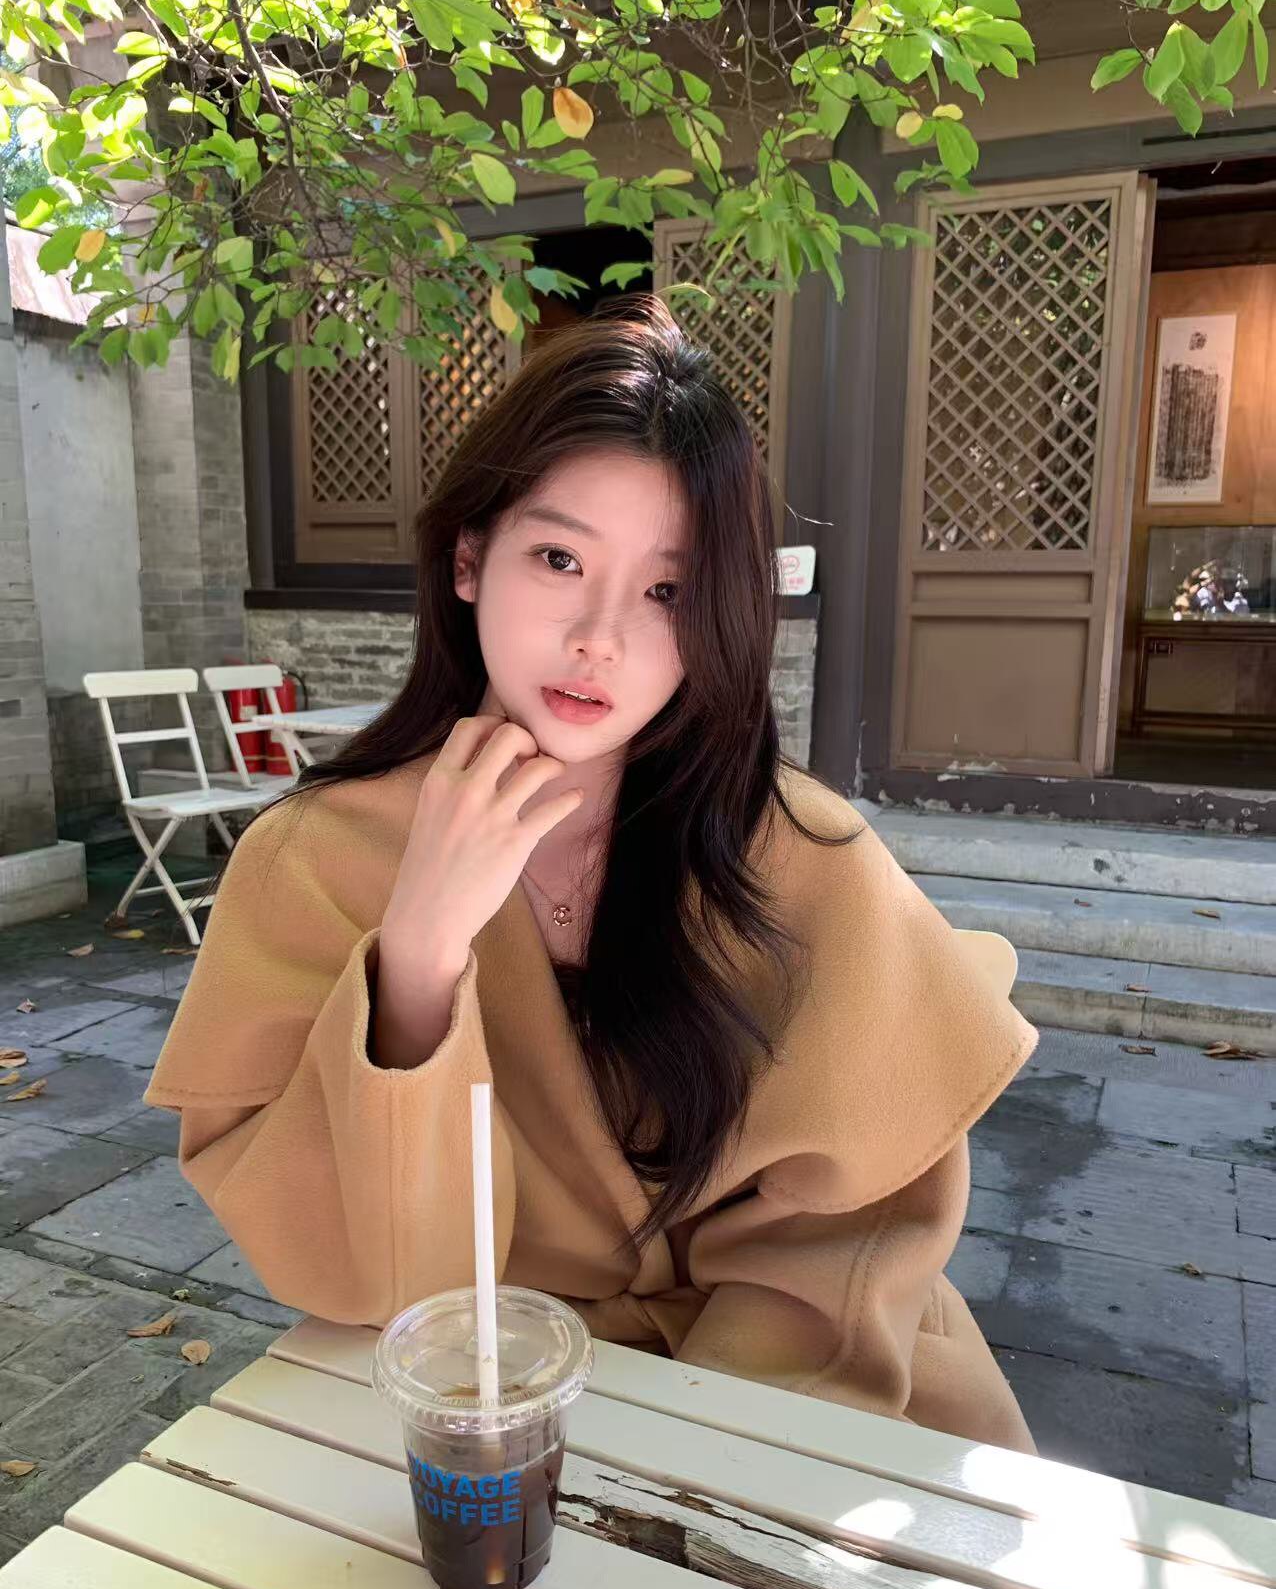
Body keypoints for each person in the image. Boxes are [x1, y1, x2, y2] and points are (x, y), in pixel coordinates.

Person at [145, 294, 1039, 1454]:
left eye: (666, 590)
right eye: (559, 557)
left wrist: (696, 1442)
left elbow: (855, 1222)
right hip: (492, 1392)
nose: (598, 638)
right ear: (470, 558)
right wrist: (418, 956)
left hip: (807, 1392)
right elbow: (376, 1276)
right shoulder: (312, 860)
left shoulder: (797, 849)